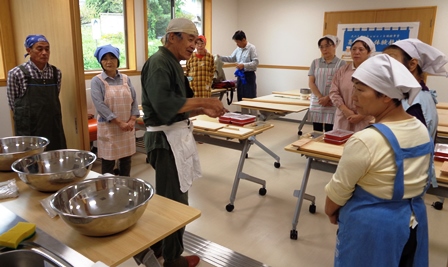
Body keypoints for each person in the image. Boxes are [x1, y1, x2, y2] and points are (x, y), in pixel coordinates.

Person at [325, 54, 435, 267]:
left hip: (372, 229)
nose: (354, 97)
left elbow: (337, 193)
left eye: (360, 90)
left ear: (386, 95)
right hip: (413, 222)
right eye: (353, 88)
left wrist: (330, 211)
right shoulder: (420, 129)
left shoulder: (366, 139)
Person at [135, 18, 227, 267]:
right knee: (173, 203)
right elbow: (164, 105)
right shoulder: (158, 64)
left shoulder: (174, 64)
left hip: (175, 138)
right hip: (164, 141)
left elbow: (184, 101)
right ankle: (172, 258)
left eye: (196, 40)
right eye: (189, 39)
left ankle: (158, 246)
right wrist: (203, 102)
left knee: (173, 197)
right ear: (173, 37)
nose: (193, 44)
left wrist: (201, 109)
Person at [7, 34, 67, 150]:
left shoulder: (56, 73)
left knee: (54, 158)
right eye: (40, 49)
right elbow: (13, 104)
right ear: (29, 50)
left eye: (47, 49)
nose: (44, 53)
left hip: (52, 125)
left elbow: (54, 96)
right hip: (29, 127)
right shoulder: (16, 73)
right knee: (31, 162)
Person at [383, 38, 448, 140]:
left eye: (391, 60)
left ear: (412, 64)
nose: (383, 66)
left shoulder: (414, 104)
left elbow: (409, 145)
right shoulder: (415, 95)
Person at [90, 44, 139, 176]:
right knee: (108, 161)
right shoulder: (97, 81)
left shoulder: (125, 79)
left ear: (118, 60)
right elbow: (100, 105)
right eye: (104, 59)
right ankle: (106, 189)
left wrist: (133, 119)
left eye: (112, 57)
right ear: (100, 62)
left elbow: (134, 99)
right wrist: (119, 122)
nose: (109, 61)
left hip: (127, 126)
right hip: (109, 127)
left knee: (126, 159)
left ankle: (126, 185)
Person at [329, 36, 376, 132]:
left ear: (369, 52)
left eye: (361, 49)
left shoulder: (375, 72)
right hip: (344, 117)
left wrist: (362, 115)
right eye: (353, 49)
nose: (356, 52)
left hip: (366, 119)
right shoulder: (343, 70)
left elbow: (379, 97)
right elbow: (334, 92)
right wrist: (345, 110)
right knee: (340, 144)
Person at [308, 35, 346, 132]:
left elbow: (341, 85)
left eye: (327, 46)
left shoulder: (341, 63)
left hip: (332, 101)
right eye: (321, 47)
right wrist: (321, 97)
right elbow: (311, 82)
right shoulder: (315, 62)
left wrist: (328, 98)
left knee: (331, 130)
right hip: (318, 101)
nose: (324, 49)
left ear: (334, 46)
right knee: (316, 130)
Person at [219, 30, 259, 102]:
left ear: (243, 40)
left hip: (249, 77)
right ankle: (243, 113)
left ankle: (253, 113)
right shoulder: (238, 49)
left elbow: (255, 62)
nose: (237, 44)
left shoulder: (251, 48)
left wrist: (244, 65)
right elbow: (231, 58)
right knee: (241, 99)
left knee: (251, 99)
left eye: (238, 42)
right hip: (240, 77)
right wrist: (220, 57)